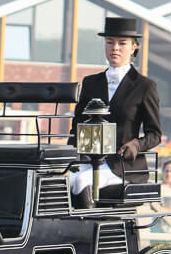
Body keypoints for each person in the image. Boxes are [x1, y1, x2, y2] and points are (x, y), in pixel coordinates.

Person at [68, 17, 162, 203]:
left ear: (133, 47)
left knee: (82, 182)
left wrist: (136, 145)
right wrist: (70, 157)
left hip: (122, 166)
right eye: (110, 42)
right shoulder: (90, 83)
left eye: (122, 43)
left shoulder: (145, 86)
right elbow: (76, 126)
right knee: (59, 182)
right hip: (89, 161)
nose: (115, 48)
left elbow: (155, 134)